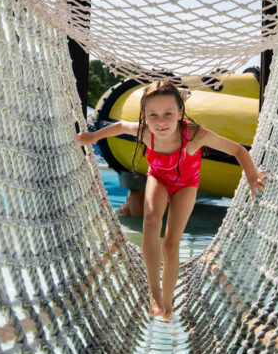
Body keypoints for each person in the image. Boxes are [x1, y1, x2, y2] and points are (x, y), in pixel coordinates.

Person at [76, 80, 266, 321]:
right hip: (159, 178)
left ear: (180, 113)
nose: (161, 121)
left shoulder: (195, 134)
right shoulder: (145, 131)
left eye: (168, 113)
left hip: (186, 185)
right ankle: (154, 294)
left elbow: (238, 150)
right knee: (151, 221)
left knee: (171, 243)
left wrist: (251, 177)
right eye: (153, 115)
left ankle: (168, 304)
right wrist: (92, 136)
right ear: (145, 115)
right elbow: (120, 126)